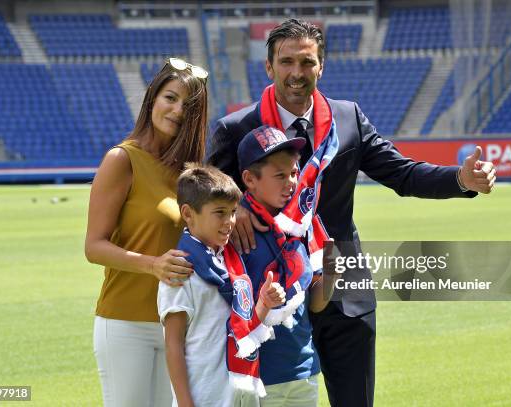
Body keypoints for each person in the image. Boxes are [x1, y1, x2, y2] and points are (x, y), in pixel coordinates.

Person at [206, 19, 496, 407]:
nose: (297, 73)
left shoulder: (348, 119)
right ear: (268, 67)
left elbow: (402, 173)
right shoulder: (236, 127)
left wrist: (459, 179)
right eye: (287, 62)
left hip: (343, 283)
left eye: (307, 62)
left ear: (321, 66)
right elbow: (203, 196)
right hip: (269, 296)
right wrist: (236, 203)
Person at [85, 57, 209, 406]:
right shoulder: (121, 160)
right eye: (170, 98)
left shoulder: (189, 172)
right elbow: (94, 247)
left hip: (178, 325)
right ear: (152, 99)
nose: (177, 110)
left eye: (189, 105)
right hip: (126, 322)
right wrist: (153, 265)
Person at [158, 164, 286, 407]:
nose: (230, 221)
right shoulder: (181, 270)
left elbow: (242, 329)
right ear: (188, 213)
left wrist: (264, 304)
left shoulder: (231, 263)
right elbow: (173, 344)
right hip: (204, 397)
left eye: (233, 211)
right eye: (220, 212)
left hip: (240, 394)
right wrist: (186, 403)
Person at [236, 125, 337, 406]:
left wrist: (330, 275)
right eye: (280, 175)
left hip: (303, 369)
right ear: (249, 179)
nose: (291, 182)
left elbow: (314, 305)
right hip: (254, 376)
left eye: (294, 173)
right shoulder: (234, 229)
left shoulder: (302, 225)